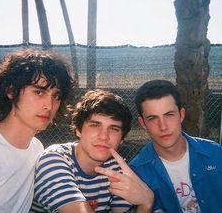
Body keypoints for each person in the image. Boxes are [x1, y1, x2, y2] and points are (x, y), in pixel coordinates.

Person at [31, 89, 154, 213]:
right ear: (78, 130)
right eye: (95, 125)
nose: (104, 136)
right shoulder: (53, 160)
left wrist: (146, 204)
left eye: (114, 128)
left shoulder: (115, 169)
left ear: (121, 139)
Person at [0, 48, 73, 213]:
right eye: (39, 92)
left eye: (56, 96)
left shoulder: (36, 148)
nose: (49, 105)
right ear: (11, 91)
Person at [128, 79, 222, 213]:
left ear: (181, 115)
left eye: (169, 115)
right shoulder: (137, 173)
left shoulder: (215, 153)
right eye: (153, 118)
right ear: (143, 123)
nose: (163, 126)